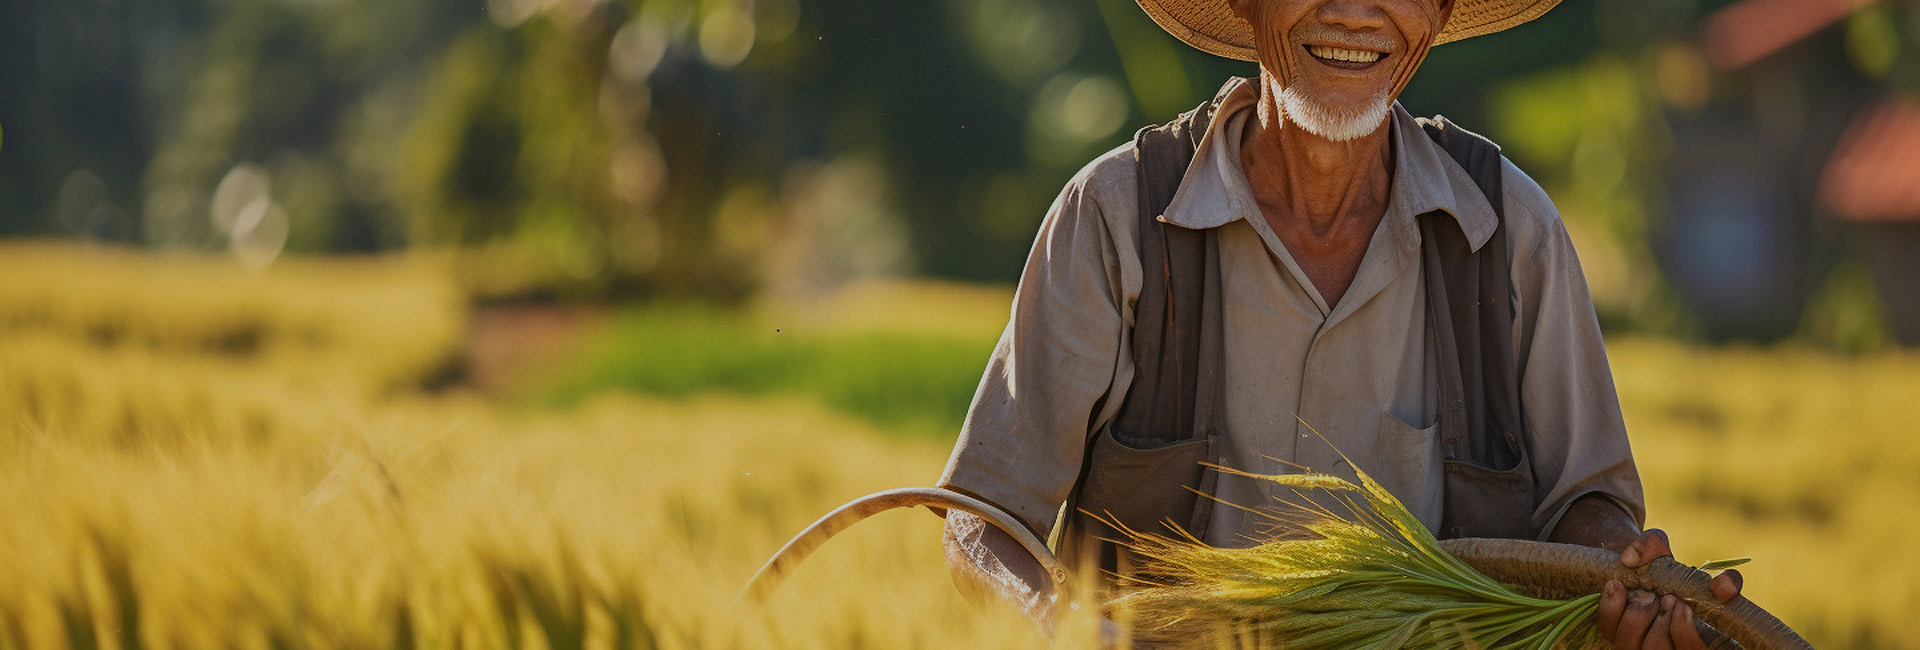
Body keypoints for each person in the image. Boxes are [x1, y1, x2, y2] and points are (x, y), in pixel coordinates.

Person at [935, 0, 1746, 648]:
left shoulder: (1508, 230)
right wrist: (1067, 631)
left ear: (1436, 13)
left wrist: (1620, 574)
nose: (1355, 13)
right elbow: (984, 521)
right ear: (1246, 7)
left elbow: (1588, 506)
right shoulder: (1116, 219)